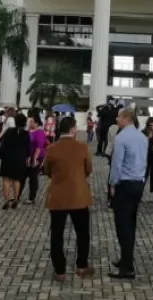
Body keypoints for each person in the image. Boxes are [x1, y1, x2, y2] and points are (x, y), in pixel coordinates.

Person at [44, 116, 95, 282]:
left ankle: (60, 270)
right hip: (79, 195)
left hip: (58, 196)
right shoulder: (82, 147)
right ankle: (81, 265)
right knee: (82, 233)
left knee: (57, 233)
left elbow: (47, 170)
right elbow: (88, 169)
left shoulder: (52, 148)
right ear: (73, 130)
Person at [108, 108, 147, 280]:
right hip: (138, 183)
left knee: (122, 225)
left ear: (126, 119)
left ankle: (128, 267)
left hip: (124, 184)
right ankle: (126, 259)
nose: (117, 119)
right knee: (130, 223)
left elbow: (117, 164)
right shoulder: (143, 137)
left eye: (119, 117)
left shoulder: (121, 137)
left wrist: (112, 183)